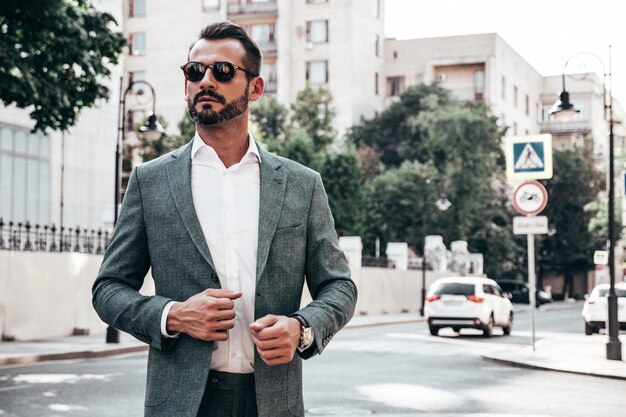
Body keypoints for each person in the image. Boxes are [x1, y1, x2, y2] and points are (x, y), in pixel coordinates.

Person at [92, 21, 357, 417]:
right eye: (195, 71)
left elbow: (339, 286)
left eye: (223, 71)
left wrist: (303, 328)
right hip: (181, 403)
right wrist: (173, 315)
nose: (206, 81)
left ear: (255, 88)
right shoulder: (151, 181)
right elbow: (109, 288)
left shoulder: (302, 185)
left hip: (272, 402)